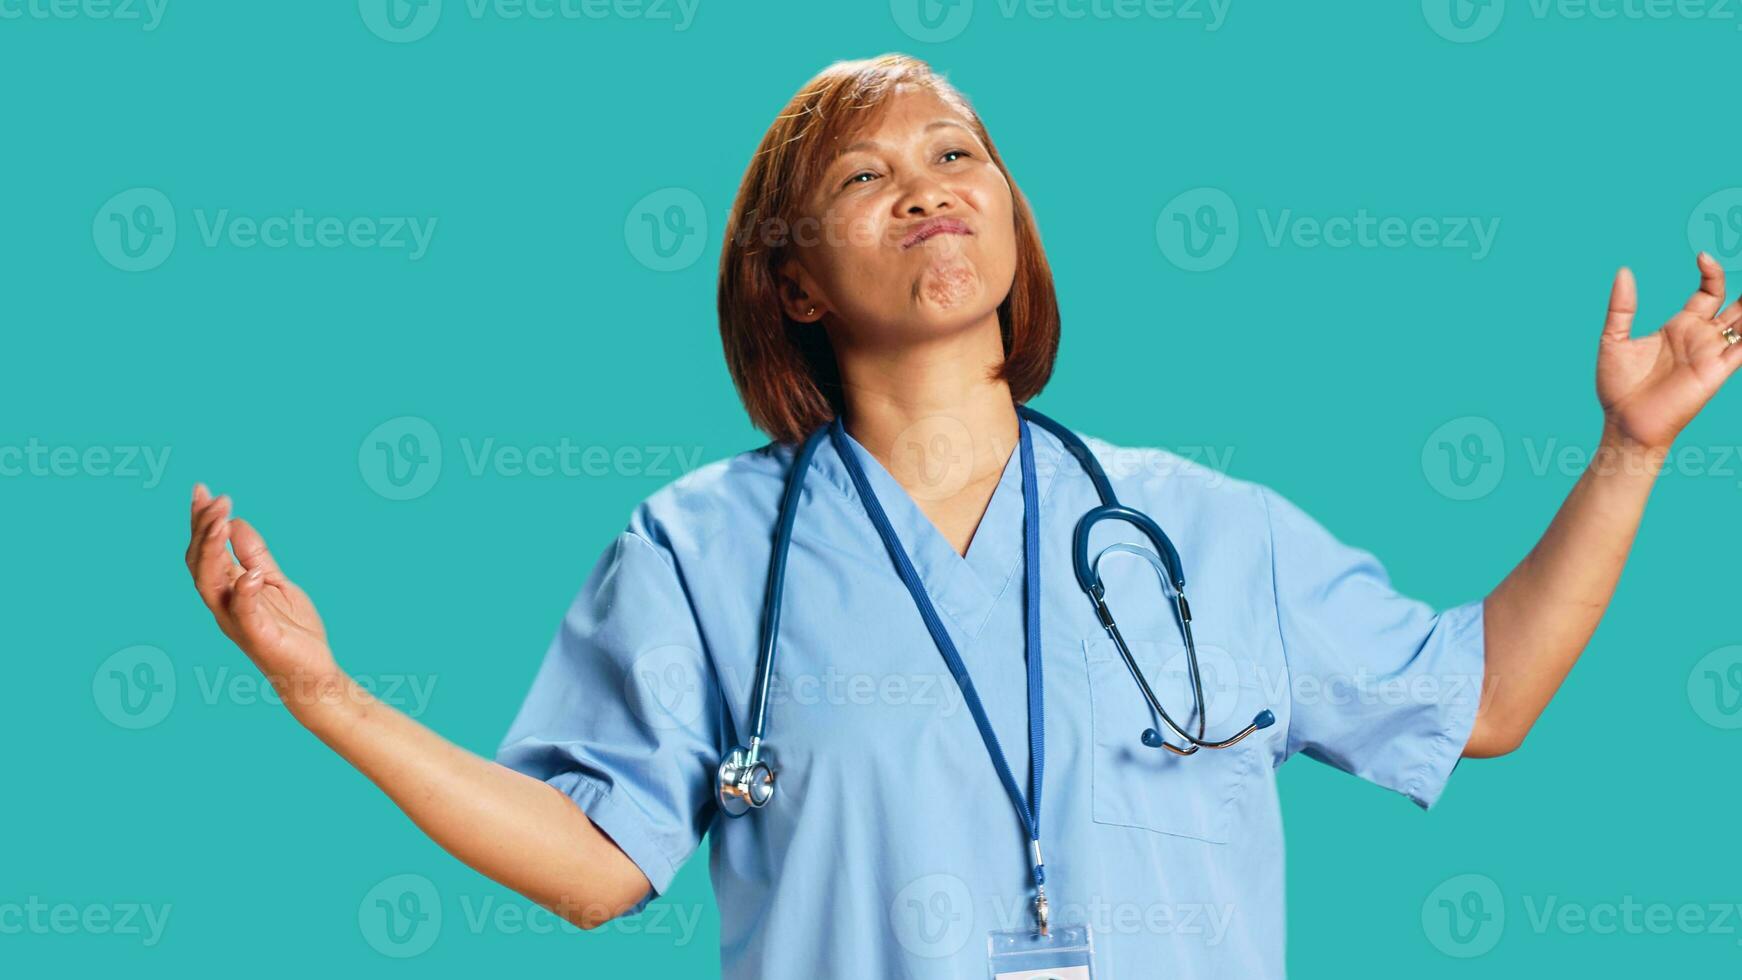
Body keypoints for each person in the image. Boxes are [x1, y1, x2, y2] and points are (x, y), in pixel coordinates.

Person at [183, 54, 1742, 979]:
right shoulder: (701, 556)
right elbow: (593, 863)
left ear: (1009, 217)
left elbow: (1485, 697)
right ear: (791, 279)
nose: (928, 186)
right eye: (865, 176)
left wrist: (1625, 449)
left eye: (957, 154)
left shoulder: (1201, 528)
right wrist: (323, 695)